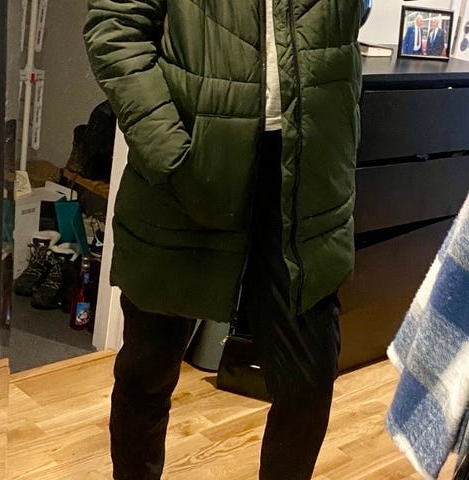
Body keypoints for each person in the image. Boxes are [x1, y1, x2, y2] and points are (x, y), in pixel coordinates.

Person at [83, 1, 366, 479]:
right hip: (188, 165)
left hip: (306, 175)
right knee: (147, 371)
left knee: (309, 382)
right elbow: (115, 26)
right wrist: (169, 151)